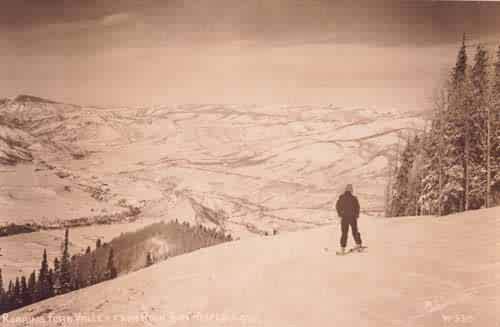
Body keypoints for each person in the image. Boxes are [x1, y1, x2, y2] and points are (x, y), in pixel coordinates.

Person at [335, 184, 362, 254]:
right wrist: (356, 215)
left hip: (344, 218)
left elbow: (337, 207)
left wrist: (340, 214)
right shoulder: (354, 198)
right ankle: (358, 244)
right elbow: (357, 208)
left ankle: (342, 248)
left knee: (344, 233)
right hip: (352, 218)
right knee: (355, 231)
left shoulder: (341, 198)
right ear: (351, 190)